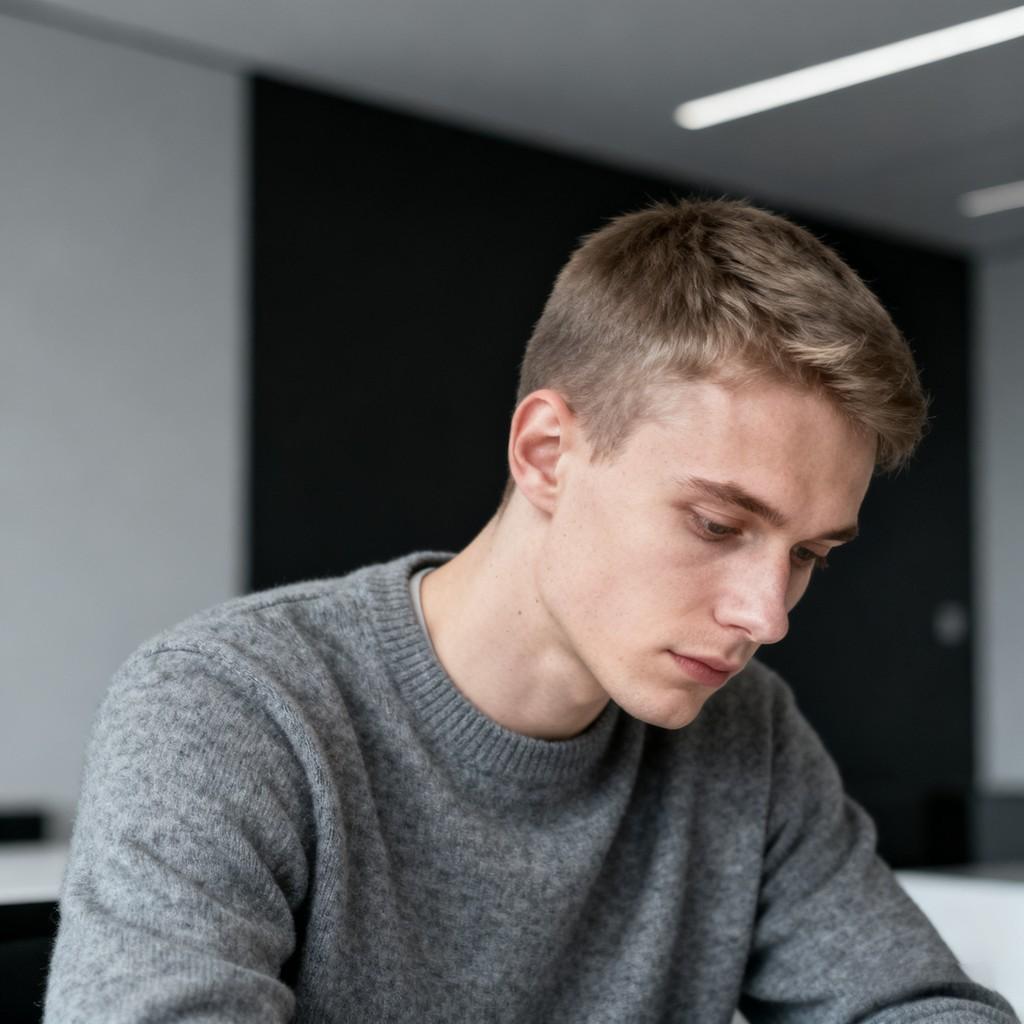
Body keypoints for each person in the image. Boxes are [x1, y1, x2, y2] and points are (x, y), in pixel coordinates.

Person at [44, 198, 1019, 1023]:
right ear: (548, 452)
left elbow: (916, 1006)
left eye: (807, 554)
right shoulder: (228, 707)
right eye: (719, 523)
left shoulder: (746, 732)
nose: (766, 614)